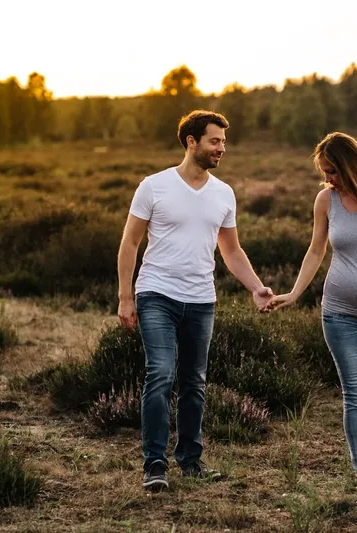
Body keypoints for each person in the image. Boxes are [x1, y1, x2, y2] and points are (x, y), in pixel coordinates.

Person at [117, 110, 274, 492]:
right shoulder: (154, 186)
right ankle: (154, 464)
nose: (222, 148)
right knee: (161, 374)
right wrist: (125, 296)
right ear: (191, 142)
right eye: (214, 141)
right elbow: (130, 242)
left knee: (194, 382)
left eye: (223, 141)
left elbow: (231, 250)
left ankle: (190, 460)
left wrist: (255, 287)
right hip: (156, 293)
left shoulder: (223, 193)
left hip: (201, 299)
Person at [267, 132, 357, 493]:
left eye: (332, 171)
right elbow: (315, 250)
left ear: (350, 164)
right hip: (339, 313)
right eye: (324, 172)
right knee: (353, 392)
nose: (328, 179)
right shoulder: (326, 200)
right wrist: (294, 293)